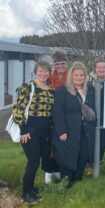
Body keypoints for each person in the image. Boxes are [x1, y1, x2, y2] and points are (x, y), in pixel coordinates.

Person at [12, 61, 55, 204]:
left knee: (40, 160)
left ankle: (31, 189)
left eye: (46, 71)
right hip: (30, 131)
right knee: (33, 161)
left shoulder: (50, 89)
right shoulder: (27, 87)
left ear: (49, 73)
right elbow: (17, 109)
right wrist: (23, 130)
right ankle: (26, 193)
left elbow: (50, 111)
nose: (43, 74)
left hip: (45, 131)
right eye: (40, 71)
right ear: (36, 72)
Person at [52, 62, 96, 188]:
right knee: (67, 154)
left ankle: (77, 178)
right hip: (69, 129)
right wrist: (61, 130)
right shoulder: (63, 91)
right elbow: (57, 112)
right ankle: (66, 181)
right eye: (76, 75)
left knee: (83, 155)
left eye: (81, 75)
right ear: (71, 76)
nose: (79, 77)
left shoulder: (89, 90)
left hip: (85, 129)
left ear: (85, 76)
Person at [44, 50, 69, 184]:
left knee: (61, 145)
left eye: (63, 63)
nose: (60, 66)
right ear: (54, 64)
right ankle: (48, 171)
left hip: (64, 117)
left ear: (66, 63)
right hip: (49, 116)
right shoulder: (48, 78)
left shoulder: (70, 77)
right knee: (49, 146)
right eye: (58, 63)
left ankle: (59, 170)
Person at [88, 57, 105, 166]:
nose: (101, 69)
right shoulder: (88, 80)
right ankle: (90, 162)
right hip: (92, 114)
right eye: (99, 67)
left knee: (102, 141)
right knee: (91, 140)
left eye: (104, 67)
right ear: (95, 69)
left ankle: (97, 162)